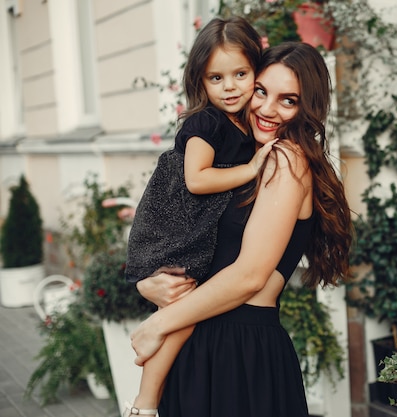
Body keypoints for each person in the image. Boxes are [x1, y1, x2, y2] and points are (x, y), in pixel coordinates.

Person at [130, 42, 353, 417]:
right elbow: (196, 246)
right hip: (205, 343)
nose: (267, 109)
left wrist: (159, 323)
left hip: (237, 351)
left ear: (307, 108)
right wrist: (148, 283)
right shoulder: (246, 157)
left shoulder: (287, 158)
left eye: (288, 100)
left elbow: (250, 275)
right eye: (262, 91)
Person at [122, 16, 275, 417]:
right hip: (173, 227)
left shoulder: (242, 123)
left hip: (192, 229)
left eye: (240, 74)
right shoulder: (206, 123)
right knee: (178, 315)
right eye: (216, 78)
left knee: (180, 316)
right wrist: (252, 169)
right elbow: (196, 179)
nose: (230, 87)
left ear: (256, 71)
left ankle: (145, 403)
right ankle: (144, 404)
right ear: (200, 82)